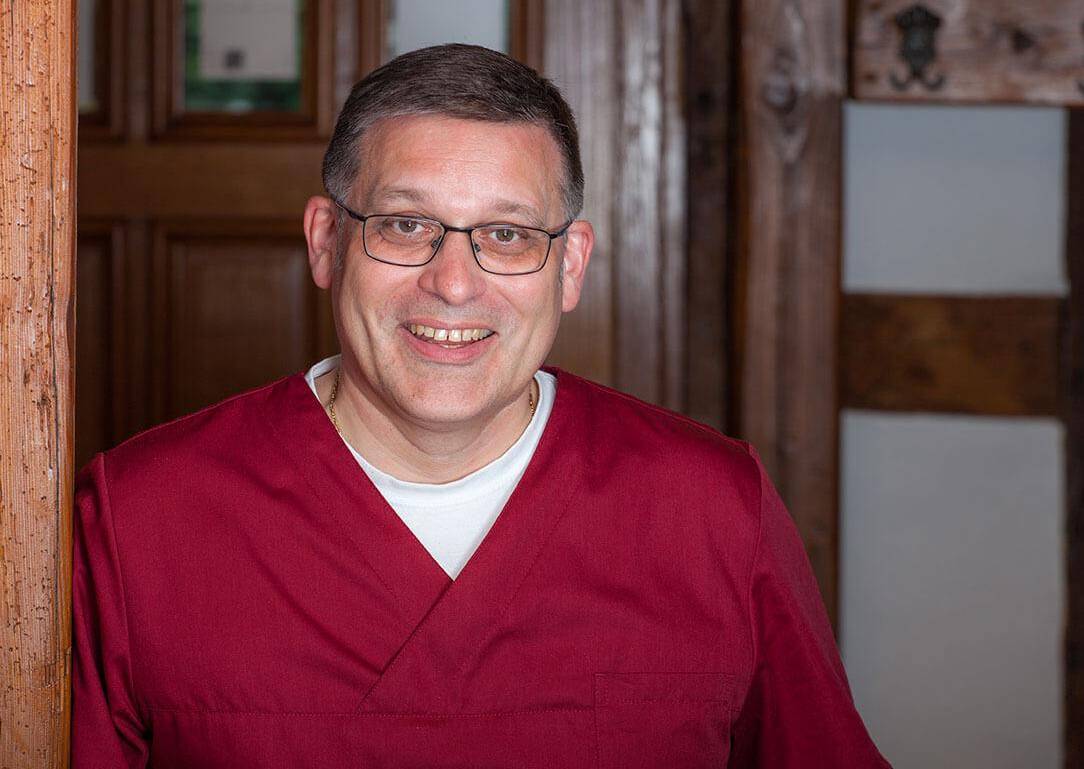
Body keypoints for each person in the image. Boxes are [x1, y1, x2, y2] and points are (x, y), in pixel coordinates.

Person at [72, 44, 889, 768]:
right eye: (405, 224)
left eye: (507, 234)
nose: (455, 284)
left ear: (570, 266)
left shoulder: (712, 509)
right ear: (326, 243)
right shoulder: (141, 518)